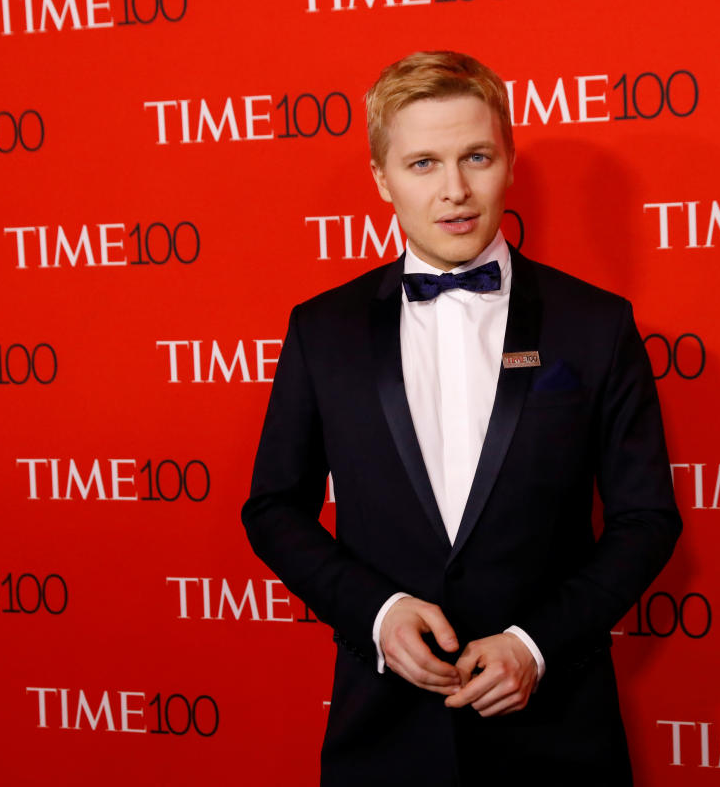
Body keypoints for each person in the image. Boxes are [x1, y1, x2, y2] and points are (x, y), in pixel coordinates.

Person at [242, 50, 681, 786]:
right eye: (422, 164)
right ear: (380, 178)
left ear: (508, 161)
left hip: (558, 733)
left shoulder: (596, 324)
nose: (455, 191)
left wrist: (535, 644)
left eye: (475, 156)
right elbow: (273, 508)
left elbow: (646, 520)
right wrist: (376, 614)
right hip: (382, 733)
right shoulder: (323, 329)